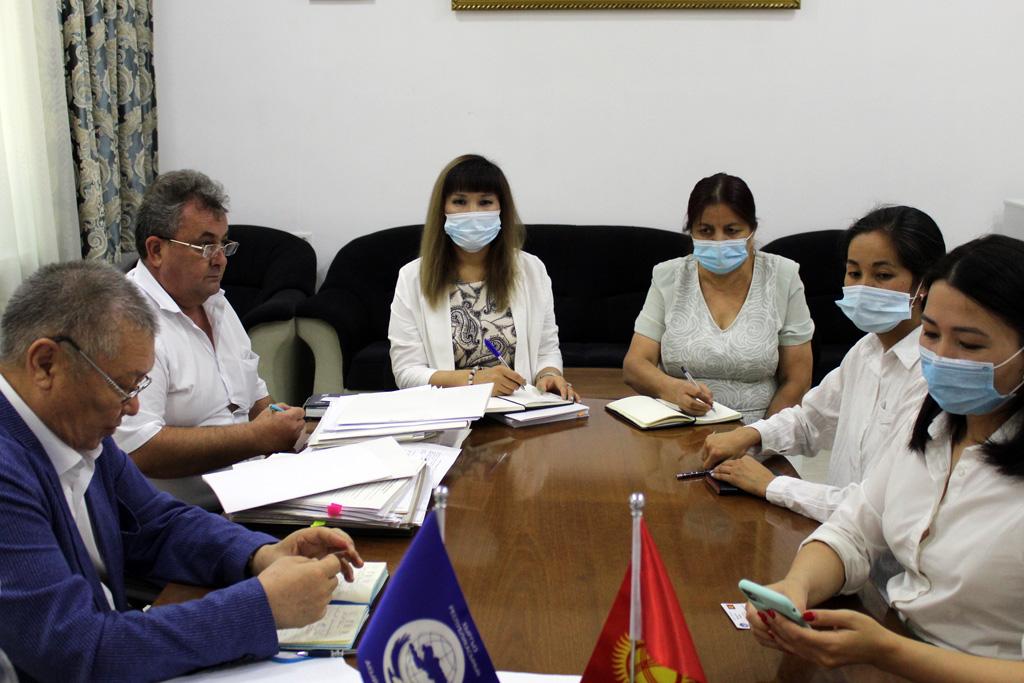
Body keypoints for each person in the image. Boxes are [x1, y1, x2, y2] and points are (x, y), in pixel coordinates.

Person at [0, 261, 363, 682]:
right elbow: (77, 652)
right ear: (46, 364)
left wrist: (260, 555)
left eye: (138, 387)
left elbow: (158, 524)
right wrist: (259, 608)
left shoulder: (76, 429)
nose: (134, 407)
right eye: (123, 386)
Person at [746, 235, 1024, 682]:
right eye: (930, 333)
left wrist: (889, 652)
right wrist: (796, 587)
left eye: (969, 345)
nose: (940, 357)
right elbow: (854, 528)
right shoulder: (932, 425)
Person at [703, 207, 946, 521]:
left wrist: (773, 485)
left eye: (883, 275)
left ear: (924, 283)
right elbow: (810, 421)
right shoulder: (866, 350)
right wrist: (751, 435)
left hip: (880, 545)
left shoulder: (932, 376)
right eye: (854, 273)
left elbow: (878, 507)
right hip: (836, 534)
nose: (863, 287)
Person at [115, 170, 304, 509]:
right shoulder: (126, 321)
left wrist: (283, 423)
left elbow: (255, 397)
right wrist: (255, 438)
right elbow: (140, 449)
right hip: (182, 515)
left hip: (253, 491)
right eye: (205, 246)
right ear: (156, 250)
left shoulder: (215, 301)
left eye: (223, 244)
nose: (220, 259)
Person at [623, 173, 813, 423]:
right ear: (691, 232)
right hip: (679, 426)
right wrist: (672, 389)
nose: (719, 241)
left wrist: (758, 436)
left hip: (761, 428)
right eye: (706, 231)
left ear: (752, 230)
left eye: (732, 231)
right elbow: (635, 365)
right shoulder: (668, 276)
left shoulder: (783, 276)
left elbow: (797, 380)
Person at [389, 154, 578, 400]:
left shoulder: (532, 270)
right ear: (442, 209)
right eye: (460, 201)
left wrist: (549, 375)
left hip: (518, 410)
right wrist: (474, 381)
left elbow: (546, 350)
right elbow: (406, 372)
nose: (473, 213)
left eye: (485, 202)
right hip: (449, 410)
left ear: (501, 209)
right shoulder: (412, 277)